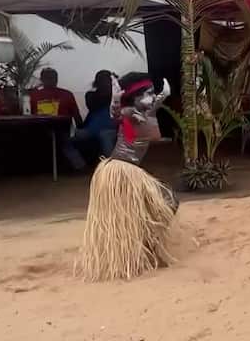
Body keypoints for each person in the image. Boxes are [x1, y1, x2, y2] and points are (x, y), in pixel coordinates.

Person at [76, 73, 178, 281]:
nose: (151, 98)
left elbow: (155, 105)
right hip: (121, 172)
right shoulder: (128, 111)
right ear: (134, 97)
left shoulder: (146, 110)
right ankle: (139, 251)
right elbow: (115, 113)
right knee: (160, 203)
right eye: (147, 94)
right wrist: (115, 98)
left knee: (164, 203)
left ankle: (145, 246)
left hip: (131, 171)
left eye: (152, 94)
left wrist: (163, 94)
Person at [74, 70, 118, 159]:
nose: (105, 84)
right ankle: (81, 165)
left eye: (107, 81)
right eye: (103, 81)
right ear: (97, 83)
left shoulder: (118, 95)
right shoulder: (91, 95)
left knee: (105, 135)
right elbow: (93, 105)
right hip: (91, 128)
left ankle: (112, 165)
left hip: (111, 128)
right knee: (72, 137)